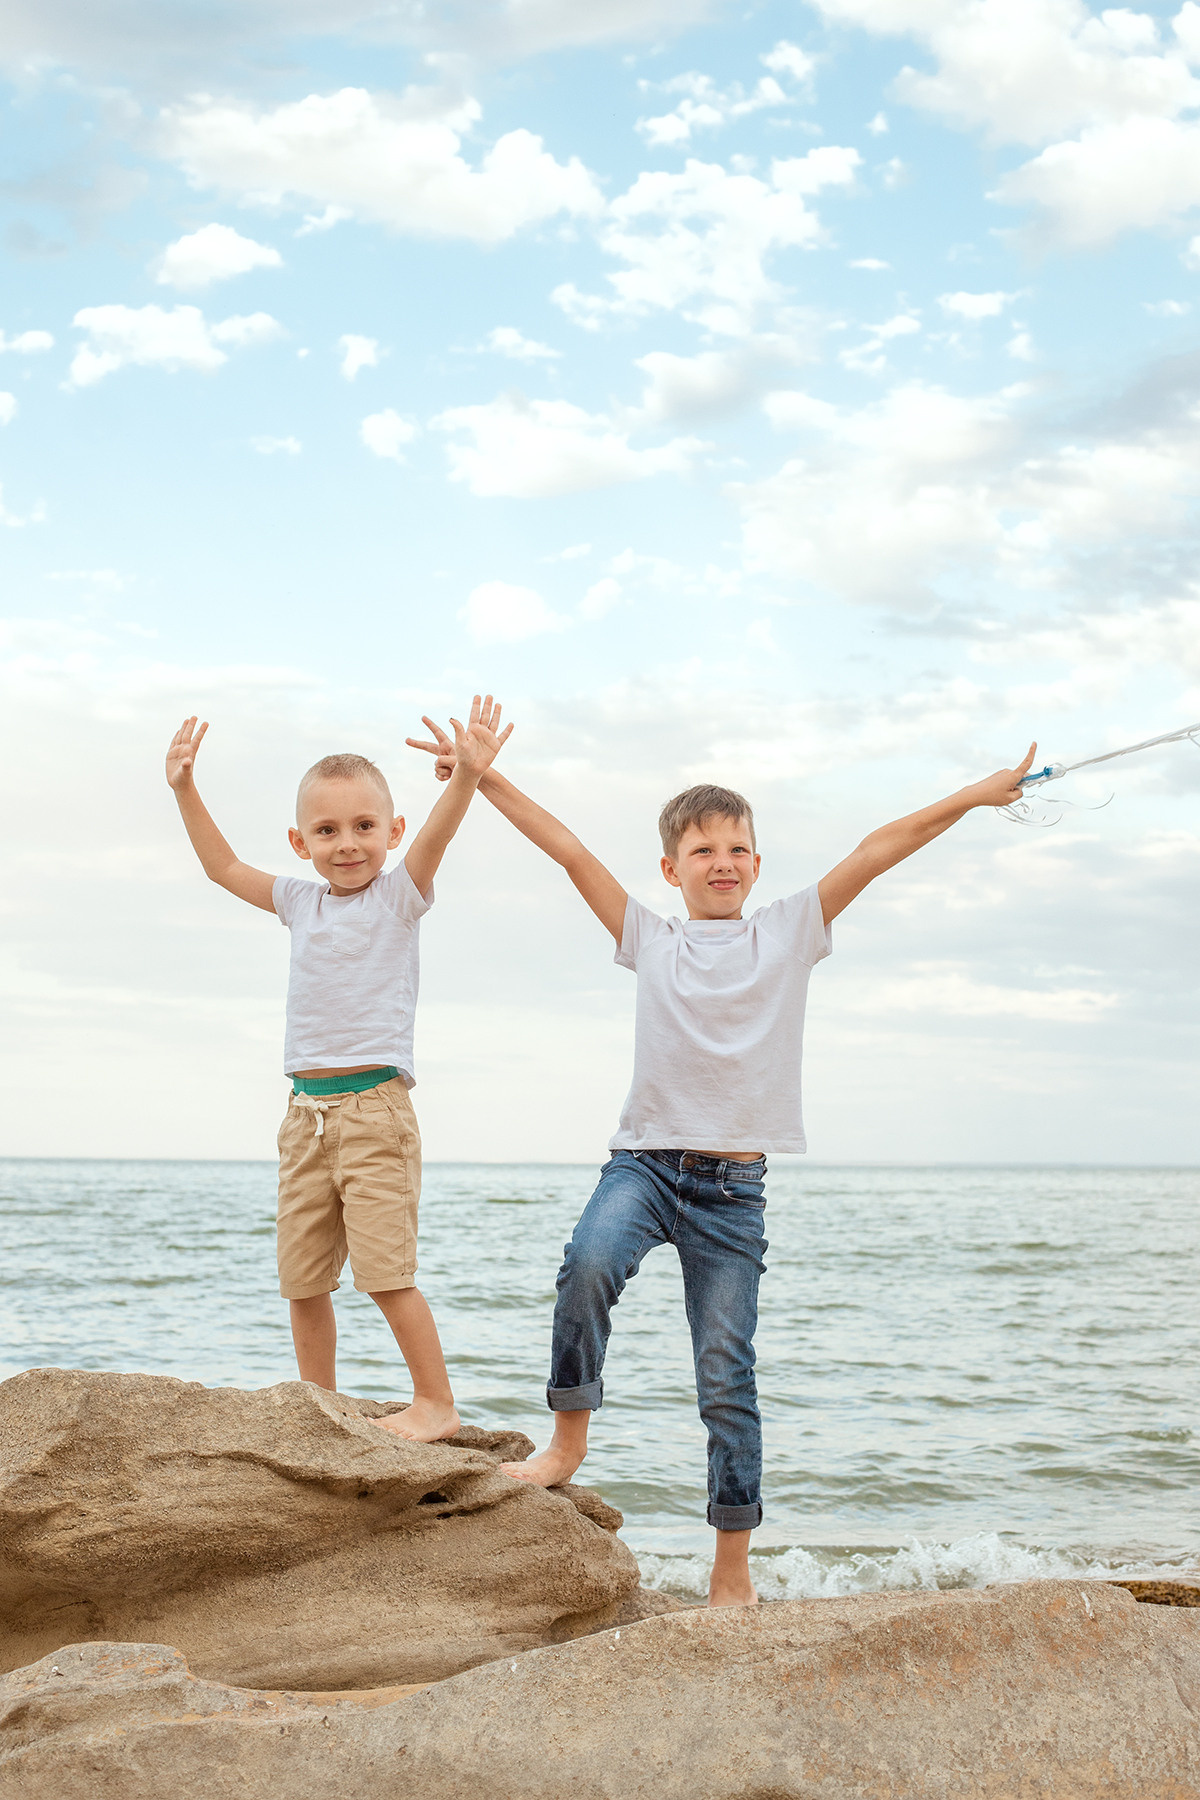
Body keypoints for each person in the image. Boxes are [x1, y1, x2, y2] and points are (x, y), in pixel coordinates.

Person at [407, 719, 1037, 1594]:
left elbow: (883, 846)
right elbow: (570, 852)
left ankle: (730, 1566)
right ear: (672, 869)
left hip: (733, 1192)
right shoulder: (651, 938)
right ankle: (567, 1441)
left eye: (738, 847)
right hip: (645, 1165)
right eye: (702, 849)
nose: (722, 861)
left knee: (725, 1376)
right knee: (587, 1263)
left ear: (757, 863)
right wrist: (484, 779)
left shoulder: (788, 932)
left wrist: (973, 796)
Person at [164, 694, 512, 1441]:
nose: (346, 843)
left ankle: (436, 1404)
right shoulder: (298, 901)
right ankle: (316, 1403)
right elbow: (222, 866)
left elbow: (440, 836)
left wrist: (467, 779)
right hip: (304, 1115)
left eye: (363, 827)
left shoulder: (399, 895)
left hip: (374, 1110)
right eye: (327, 830)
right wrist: (185, 788)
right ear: (301, 841)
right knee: (302, 1279)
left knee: (386, 1273)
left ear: (392, 831)